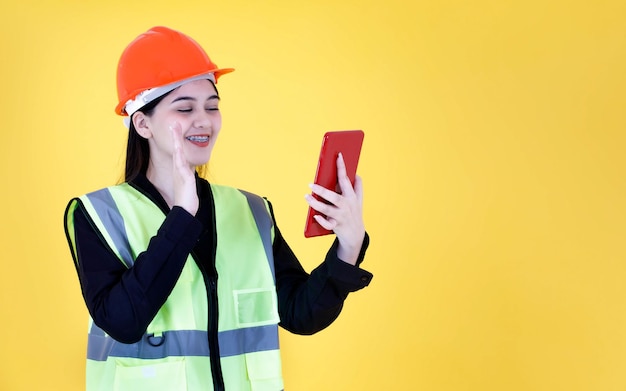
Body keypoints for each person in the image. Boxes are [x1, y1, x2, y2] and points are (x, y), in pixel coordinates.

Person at [63, 26, 372, 391]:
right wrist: (181, 216)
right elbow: (124, 321)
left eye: (212, 106)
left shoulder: (251, 211)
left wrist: (348, 247)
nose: (204, 120)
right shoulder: (98, 215)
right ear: (142, 123)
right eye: (185, 108)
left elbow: (300, 314)